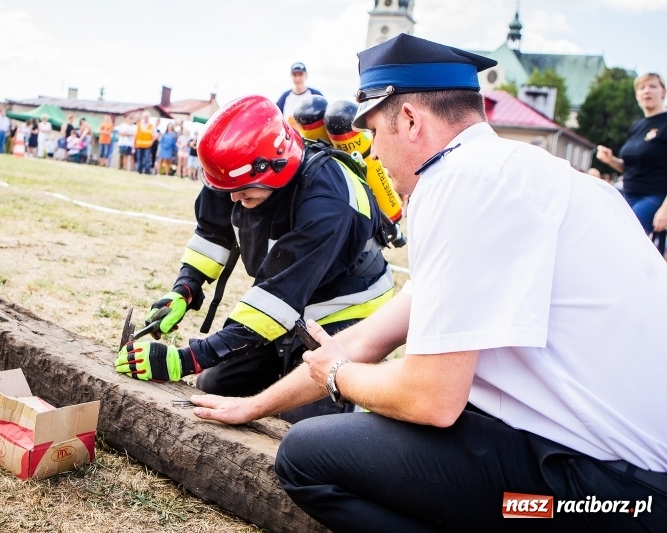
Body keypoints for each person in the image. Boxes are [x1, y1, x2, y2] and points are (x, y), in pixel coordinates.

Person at [182, 34, 667, 532]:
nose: (371, 152)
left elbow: (430, 400)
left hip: (610, 498)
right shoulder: (524, 173)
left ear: (410, 120)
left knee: (307, 458)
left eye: (372, 132)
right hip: (629, 480)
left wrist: (338, 376)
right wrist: (255, 405)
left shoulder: (456, 180)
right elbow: (369, 336)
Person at [114, 95, 394, 423]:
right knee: (213, 384)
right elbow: (212, 233)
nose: (232, 198)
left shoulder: (328, 201)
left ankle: (354, 389)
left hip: (343, 310)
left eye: (242, 190)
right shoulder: (233, 171)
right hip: (287, 301)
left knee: (304, 423)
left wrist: (186, 358)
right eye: (226, 189)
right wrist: (185, 288)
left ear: (273, 167)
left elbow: (275, 302)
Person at [597, 72, 667, 255]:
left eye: (652, 86)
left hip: (654, 196)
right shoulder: (637, 126)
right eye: (642, 88)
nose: (647, 91)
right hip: (628, 192)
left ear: (663, 92)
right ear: (637, 95)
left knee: (625, 237)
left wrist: (665, 210)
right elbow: (630, 167)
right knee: (604, 229)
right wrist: (610, 160)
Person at [275, 62, 323, 127]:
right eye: (295, 75)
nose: (297, 78)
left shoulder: (315, 95)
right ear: (291, 76)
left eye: (300, 74)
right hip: (290, 135)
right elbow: (276, 116)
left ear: (306, 75)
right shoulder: (284, 97)